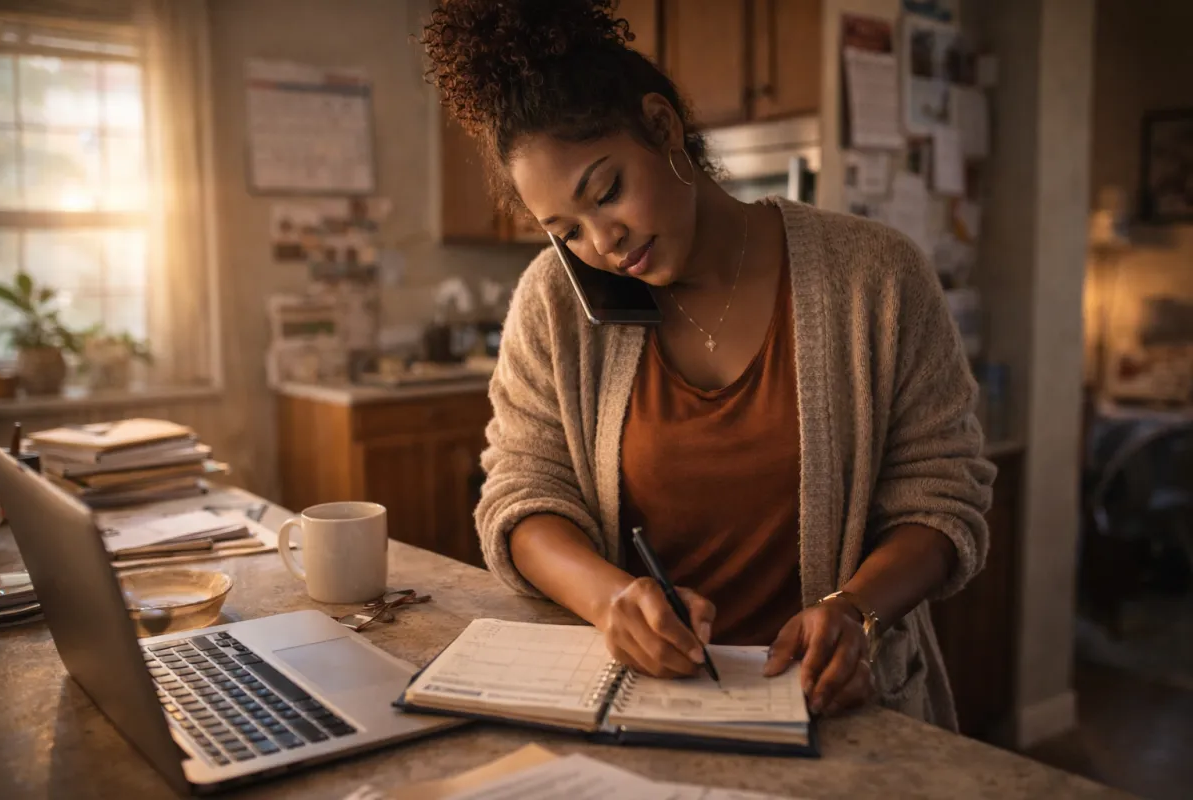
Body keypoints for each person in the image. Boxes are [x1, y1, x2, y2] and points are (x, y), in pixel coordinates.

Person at [420, 0, 995, 729]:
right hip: (640, 705)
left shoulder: (874, 278)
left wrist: (855, 612)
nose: (604, 242)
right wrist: (610, 600)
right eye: (567, 230)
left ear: (662, 128)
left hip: (845, 706)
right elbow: (520, 495)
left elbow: (945, 495)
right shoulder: (556, 301)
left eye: (607, 192)